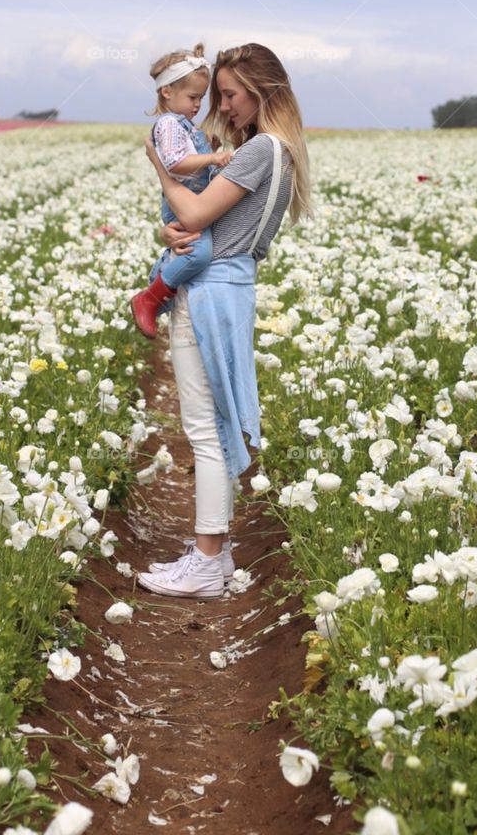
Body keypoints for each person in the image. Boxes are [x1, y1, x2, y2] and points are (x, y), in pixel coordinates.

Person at [135, 43, 312, 600]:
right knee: (211, 427)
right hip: (228, 289)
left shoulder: (261, 149)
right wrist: (170, 231)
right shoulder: (276, 150)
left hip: (211, 294)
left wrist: (160, 167)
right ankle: (216, 552)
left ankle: (208, 562)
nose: (223, 106)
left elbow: (192, 212)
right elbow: (199, 222)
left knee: (205, 431)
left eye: (231, 95)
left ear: (262, 92)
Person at [129, 44, 233, 338]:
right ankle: (149, 299)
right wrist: (211, 158)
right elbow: (176, 163)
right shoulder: (168, 124)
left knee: (192, 251)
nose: (198, 104)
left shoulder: (183, 125)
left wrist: (208, 150)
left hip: (191, 198)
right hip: (181, 200)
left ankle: (160, 277)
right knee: (198, 254)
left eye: (201, 97)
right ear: (166, 92)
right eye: (192, 97)